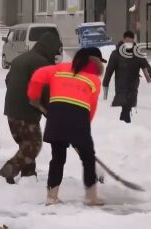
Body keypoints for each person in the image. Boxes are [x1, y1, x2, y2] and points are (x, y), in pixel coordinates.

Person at [27, 47, 107, 206]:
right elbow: (90, 109)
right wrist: (81, 135)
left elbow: (36, 77)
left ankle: (51, 196)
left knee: (58, 158)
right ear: (95, 63)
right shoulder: (94, 80)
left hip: (56, 116)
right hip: (78, 118)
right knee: (88, 158)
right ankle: (91, 197)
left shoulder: (59, 69)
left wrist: (34, 99)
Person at [0, 33, 63, 184]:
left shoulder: (23, 58)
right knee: (33, 145)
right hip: (25, 112)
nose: (56, 57)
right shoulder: (41, 63)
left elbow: (8, 79)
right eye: (56, 52)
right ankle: (7, 171)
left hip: (12, 110)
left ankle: (29, 177)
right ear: (49, 49)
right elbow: (46, 91)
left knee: (26, 144)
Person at [102, 31, 151, 123]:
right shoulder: (116, 54)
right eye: (127, 41)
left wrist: (150, 76)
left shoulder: (137, 53)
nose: (128, 44)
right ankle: (125, 125)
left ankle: (124, 125)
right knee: (125, 105)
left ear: (133, 41)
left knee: (128, 105)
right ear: (123, 40)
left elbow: (145, 65)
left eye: (130, 41)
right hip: (121, 84)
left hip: (133, 84)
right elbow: (109, 70)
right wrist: (105, 83)